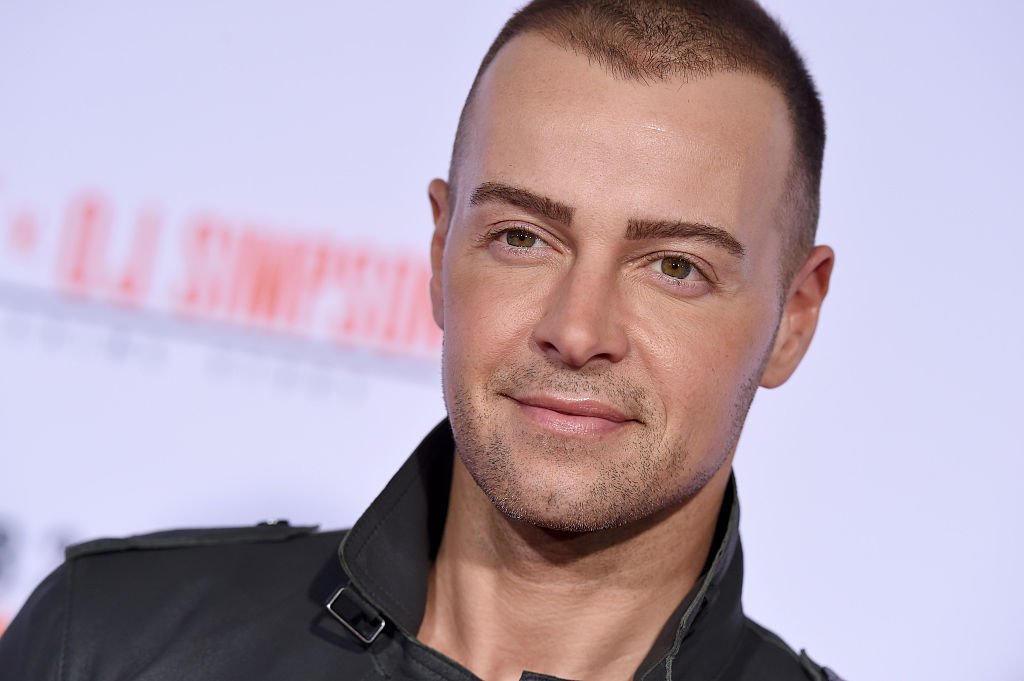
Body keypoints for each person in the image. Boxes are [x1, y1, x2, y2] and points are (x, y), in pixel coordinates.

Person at [0, 0, 843, 679]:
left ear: (793, 319)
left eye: (673, 266)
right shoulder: (107, 646)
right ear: (441, 252)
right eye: (522, 237)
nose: (577, 331)